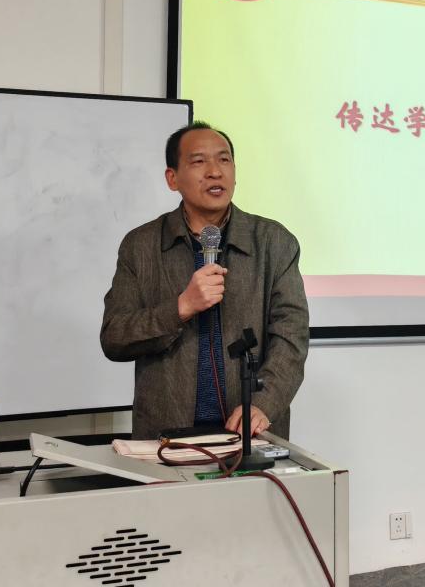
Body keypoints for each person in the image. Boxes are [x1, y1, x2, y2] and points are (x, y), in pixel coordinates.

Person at [100, 121, 309, 440]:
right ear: (172, 178)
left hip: (248, 436)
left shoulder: (274, 242)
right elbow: (114, 337)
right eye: (199, 161)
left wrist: (262, 404)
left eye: (224, 160)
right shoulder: (141, 246)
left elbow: (291, 337)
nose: (214, 171)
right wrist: (181, 308)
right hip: (166, 439)